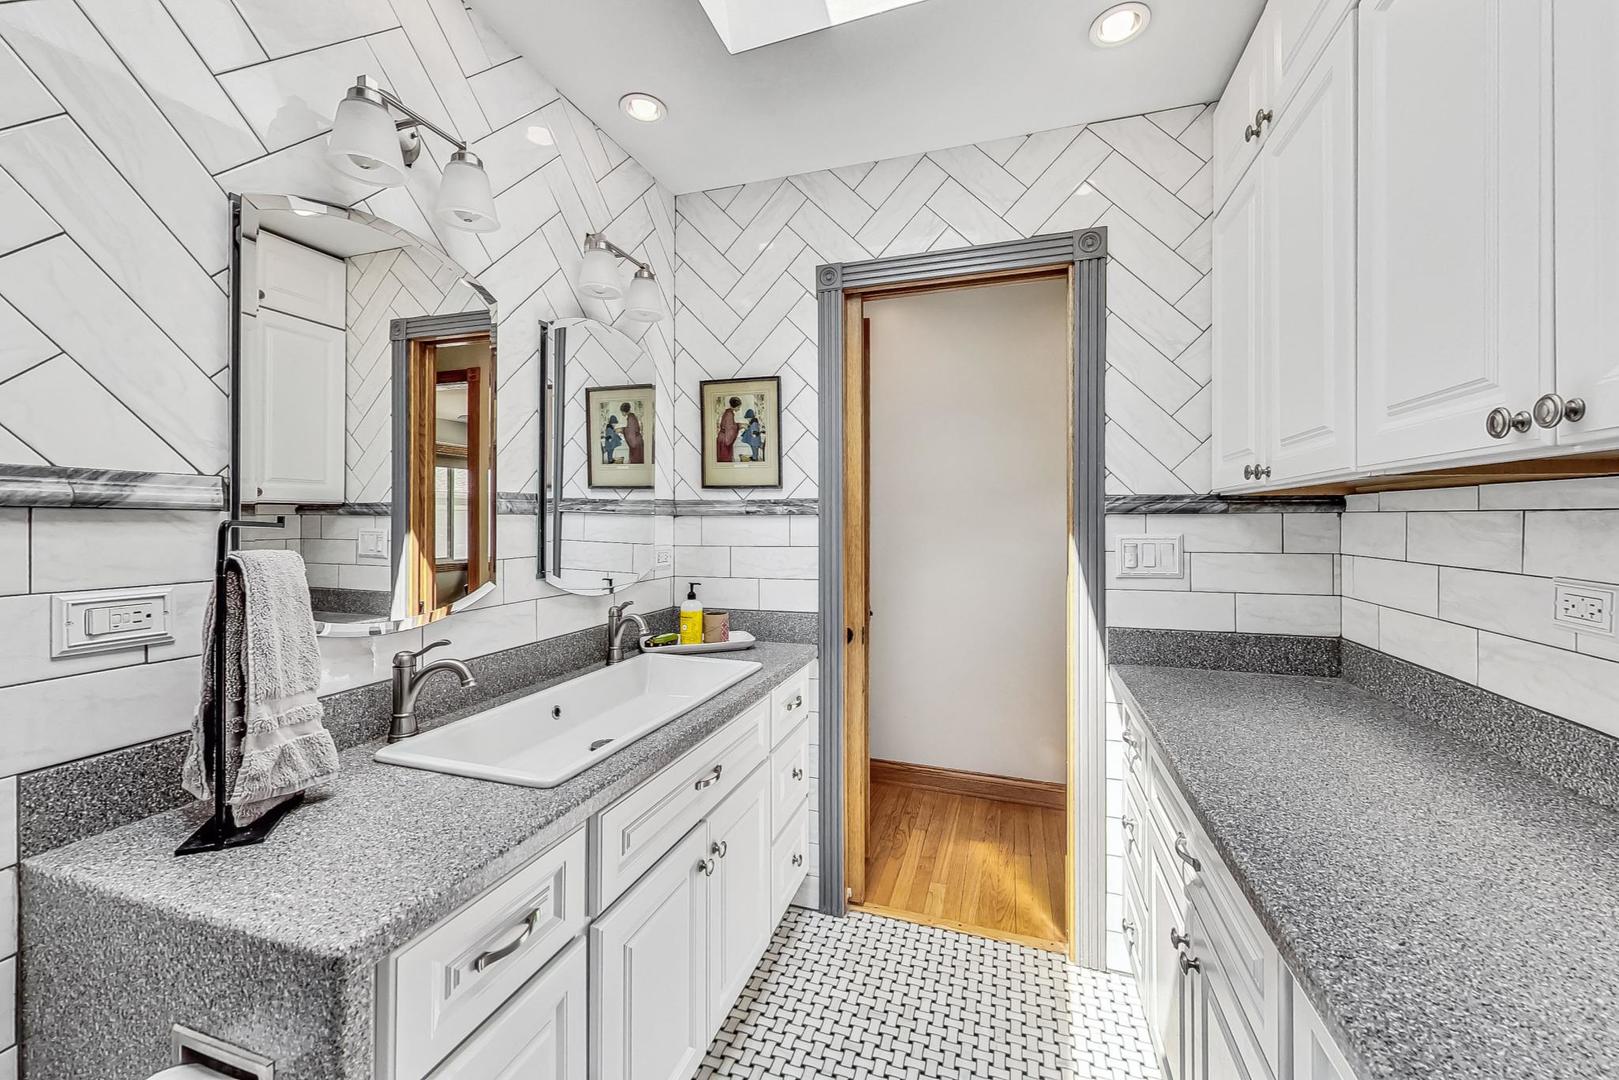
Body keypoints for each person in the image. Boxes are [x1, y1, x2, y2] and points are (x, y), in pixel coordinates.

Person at [715, 395, 741, 463]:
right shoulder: (729, 414)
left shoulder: (728, 412)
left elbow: (730, 426)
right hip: (725, 439)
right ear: (735, 406)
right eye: (739, 407)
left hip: (723, 437)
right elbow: (730, 429)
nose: (739, 409)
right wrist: (739, 426)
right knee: (725, 460)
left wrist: (738, 425)